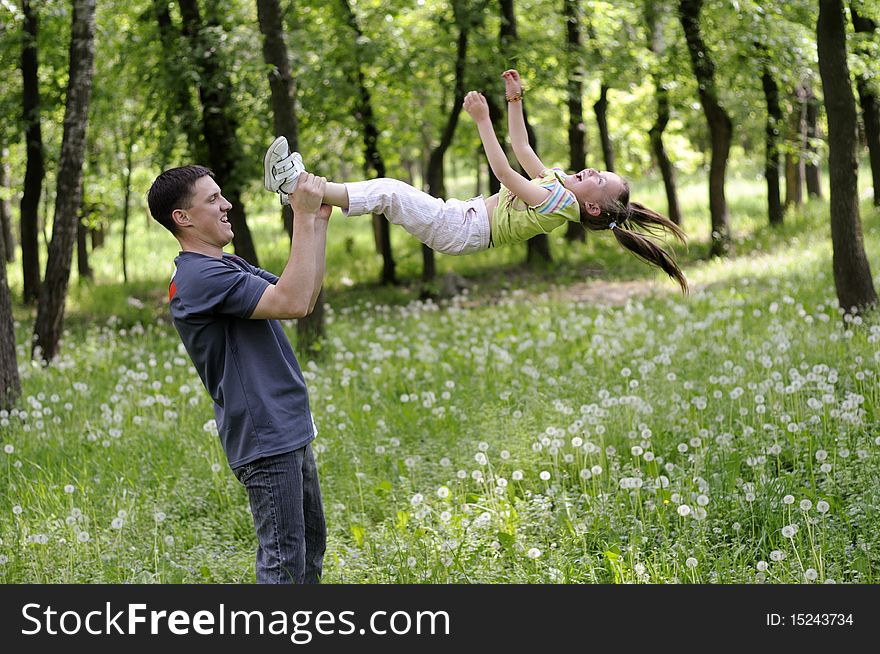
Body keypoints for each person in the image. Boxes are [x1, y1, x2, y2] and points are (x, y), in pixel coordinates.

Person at [264, 69, 688, 292]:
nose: (593, 171)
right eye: (598, 169)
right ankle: (302, 186)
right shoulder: (559, 184)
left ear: (592, 207)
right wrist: (514, 98)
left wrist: (483, 120)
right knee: (389, 193)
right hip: (461, 218)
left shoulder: (559, 204)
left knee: (390, 191)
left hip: (463, 230)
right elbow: (521, 148)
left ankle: (298, 183)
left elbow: (505, 171)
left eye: (600, 180)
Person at [147, 166, 331, 584]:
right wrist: (299, 218)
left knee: (308, 549)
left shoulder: (225, 265)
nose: (226, 204)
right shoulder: (200, 278)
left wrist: (316, 223)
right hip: (265, 433)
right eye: (212, 199)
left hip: (286, 424)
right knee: (283, 561)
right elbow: (293, 300)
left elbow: (302, 293)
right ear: (183, 218)